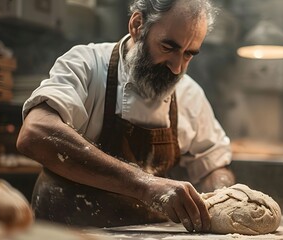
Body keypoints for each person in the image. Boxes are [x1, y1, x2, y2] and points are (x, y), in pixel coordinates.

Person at [16, 0, 235, 233]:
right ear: (138, 25)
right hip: (66, 233)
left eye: (189, 54)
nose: (177, 67)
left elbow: (214, 167)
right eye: (168, 48)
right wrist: (145, 185)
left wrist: (223, 197)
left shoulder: (189, 95)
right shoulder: (86, 65)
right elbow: (35, 133)